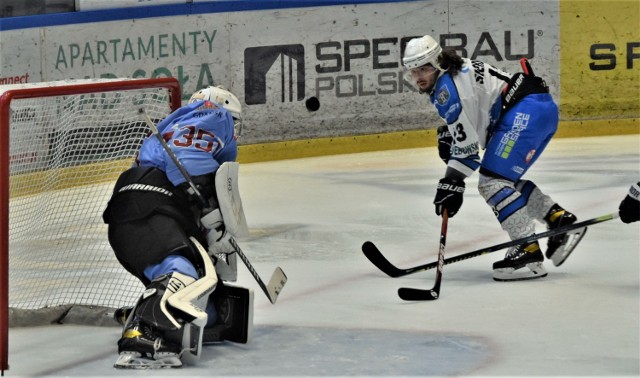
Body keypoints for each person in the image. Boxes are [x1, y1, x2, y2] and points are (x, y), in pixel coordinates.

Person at [403, 35, 580, 282]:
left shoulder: (446, 92)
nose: (419, 76)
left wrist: (451, 182)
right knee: (502, 180)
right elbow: (474, 123)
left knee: (491, 182)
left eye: (424, 68)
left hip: (524, 113)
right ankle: (557, 218)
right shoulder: (456, 67)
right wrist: (455, 140)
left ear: (438, 64)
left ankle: (526, 247)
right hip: (537, 109)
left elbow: (468, 152)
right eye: (414, 71)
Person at [103, 86, 252, 369]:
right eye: (232, 120)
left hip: (134, 212)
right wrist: (219, 222)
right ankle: (141, 331)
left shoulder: (165, 130)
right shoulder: (216, 120)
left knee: (198, 275)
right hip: (149, 210)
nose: (232, 126)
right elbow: (190, 166)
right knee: (181, 270)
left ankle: (158, 308)